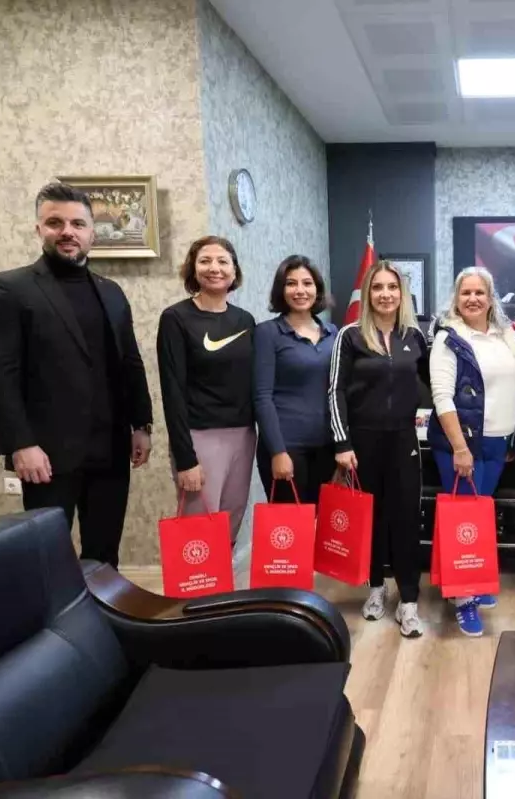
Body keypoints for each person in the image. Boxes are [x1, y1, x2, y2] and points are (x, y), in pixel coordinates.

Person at [0, 182, 153, 568]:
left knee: (104, 558)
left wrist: (142, 424)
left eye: (77, 224)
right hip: (47, 453)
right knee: (46, 559)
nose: (67, 232)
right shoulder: (9, 288)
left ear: (92, 233)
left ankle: (101, 609)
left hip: (110, 448)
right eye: (55, 223)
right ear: (38, 228)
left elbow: (130, 361)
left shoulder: (111, 292)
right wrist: (20, 443)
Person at [329, 261, 430, 638]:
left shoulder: (414, 337)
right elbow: (335, 391)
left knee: (406, 518)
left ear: (402, 294)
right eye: (377, 287)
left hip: (404, 440)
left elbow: (432, 384)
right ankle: (376, 587)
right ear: (367, 294)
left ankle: (409, 600)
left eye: (392, 287)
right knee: (370, 519)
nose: (385, 294)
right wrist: (342, 442)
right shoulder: (350, 336)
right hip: (362, 442)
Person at [427, 266, 515, 636]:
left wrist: (512, 437)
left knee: (478, 518)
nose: (472, 299)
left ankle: (468, 579)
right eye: (465, 293)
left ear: (490, 297)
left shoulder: (505, 334)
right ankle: (463, 600)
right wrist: (460, 447)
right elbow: (442, 397)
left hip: (498, 442)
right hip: (463, 444)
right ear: (456, 299)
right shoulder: (448, 338)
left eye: (479, 292)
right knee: (464, 521)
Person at [157, 236, 256, 543]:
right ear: (193, 268)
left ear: (234, 271)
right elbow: (172, 391)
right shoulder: (176, 318)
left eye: (223, 261)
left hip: (243, 435)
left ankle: (224, 576)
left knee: (231, 521)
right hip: (199, 436)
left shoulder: (245, 320)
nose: (215, 268)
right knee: (199, 531)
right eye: (205, 261)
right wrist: (186, 458)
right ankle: (201, 580)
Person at [253, 255, 337, 505]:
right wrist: (278, 452)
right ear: (281, 289)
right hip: (286, 448)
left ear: (317, 289)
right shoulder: (267, 333)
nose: (300, 290)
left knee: (324, 523)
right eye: (291, 283)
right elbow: (262, 397)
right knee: (290, 526)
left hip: (326, 448)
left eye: (307, 283)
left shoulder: (333, 333)